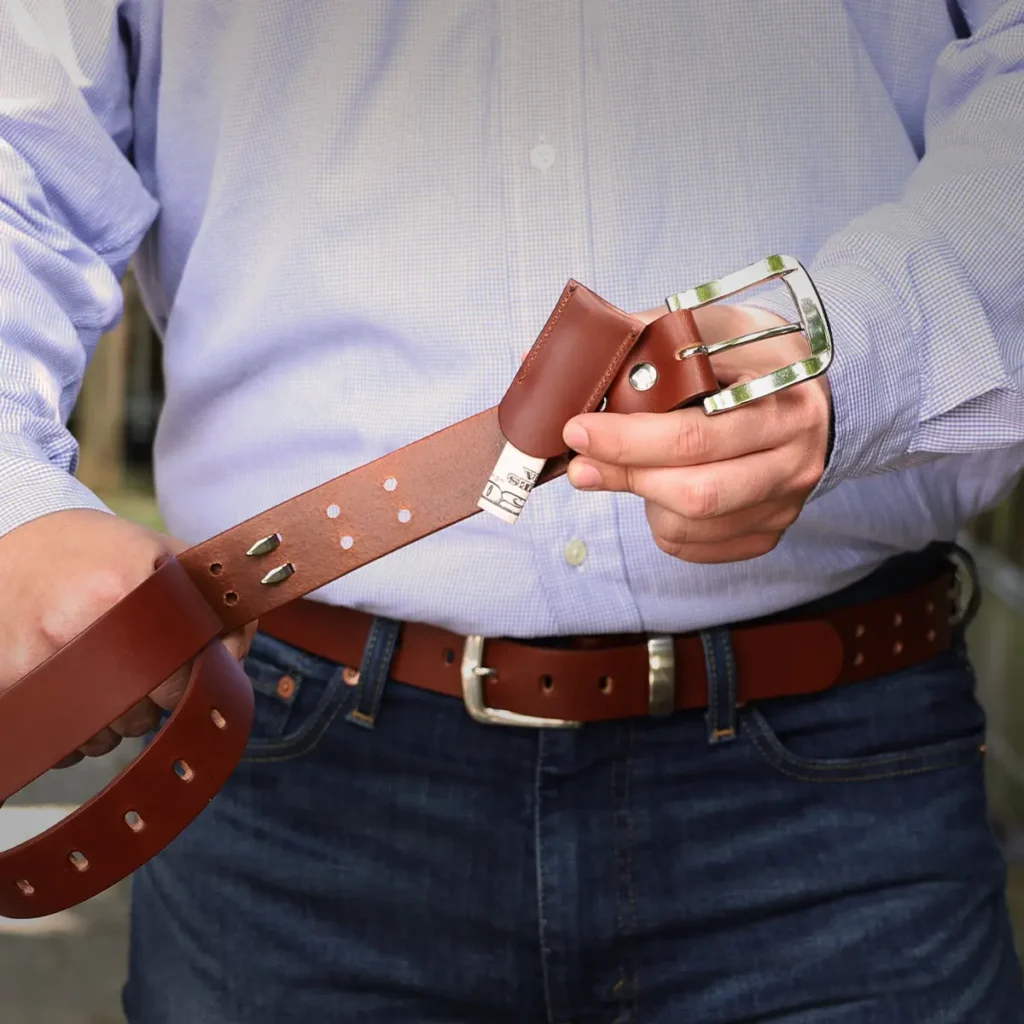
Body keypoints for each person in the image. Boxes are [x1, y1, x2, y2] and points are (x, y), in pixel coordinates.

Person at [2, 1, 1024, 1020]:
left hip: (838, 782)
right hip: (293, 778)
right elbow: (22, 129)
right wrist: (18, 499)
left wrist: (864, 350)